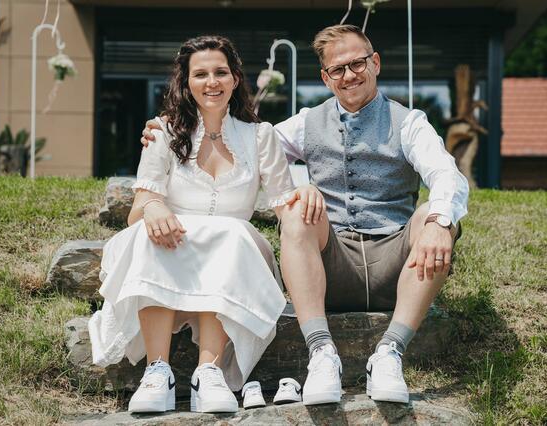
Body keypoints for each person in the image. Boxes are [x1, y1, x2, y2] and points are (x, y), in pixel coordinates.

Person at [142, 25, 469, 406]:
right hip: (332, 266)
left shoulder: (410, 122)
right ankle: (321, 354)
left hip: (394, 261)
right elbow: (248, 148)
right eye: (338, 69)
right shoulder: (306, 122)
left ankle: (389, 353)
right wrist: (170, 131)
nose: (349, 75)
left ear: (375, 63)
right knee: (298, 211)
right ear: (325, 78)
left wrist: (441, 222)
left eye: (358, 63)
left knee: (436, 213)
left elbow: (446, 174)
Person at [89, 35, 324, 414]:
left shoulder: (260, 136)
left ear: (235, 79)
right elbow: (139, 207)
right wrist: (152, 208)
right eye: (200, 74)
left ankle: (208, 373)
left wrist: (307, 191)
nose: (211, 82)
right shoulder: (162, 132)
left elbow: (285, 204)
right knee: (154, 235)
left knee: (230, 234)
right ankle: (158, 372)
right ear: (186, 83)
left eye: (220, 72)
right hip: (172, 245)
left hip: (232, 253)